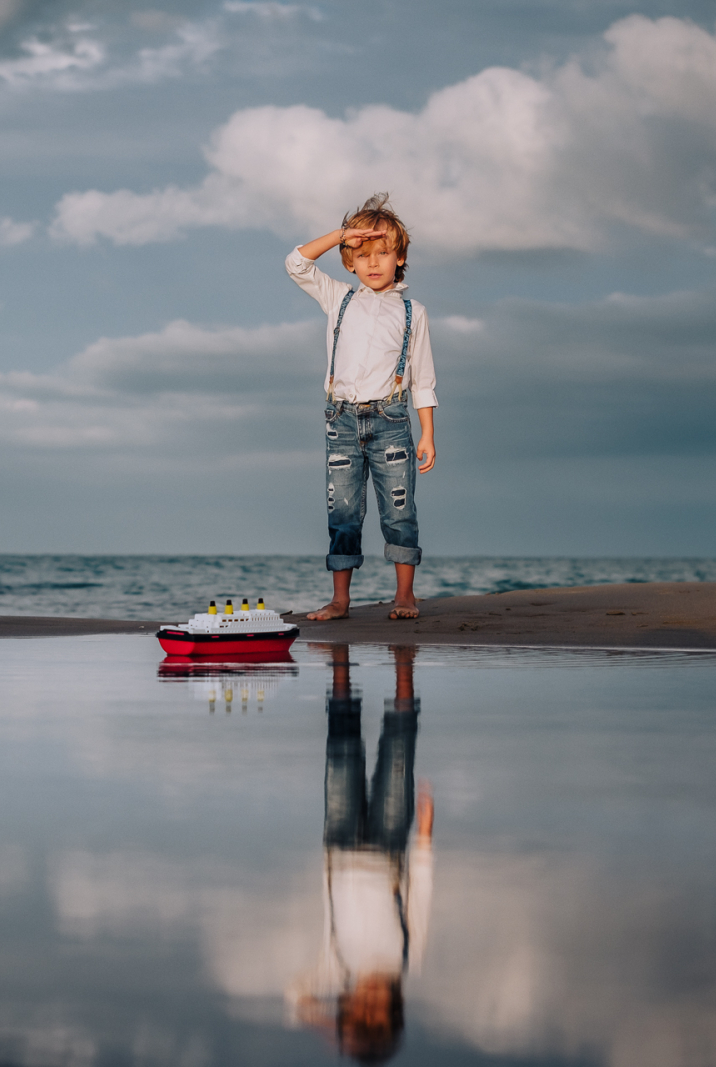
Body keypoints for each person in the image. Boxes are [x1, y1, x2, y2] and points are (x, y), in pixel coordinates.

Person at [286, 193, 438, 622]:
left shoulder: (413, 312)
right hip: (342, 421)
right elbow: (295, 263)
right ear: (348, 261)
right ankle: (340, 600)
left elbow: (422, 378)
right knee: (343, 512)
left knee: (399, 511)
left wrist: (427, 433)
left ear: (400, 257)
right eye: (361, 254)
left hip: (391, 421)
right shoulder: (338, 298)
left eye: (382, 253)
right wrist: (339, 235)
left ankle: (405, 595)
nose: (373, 263)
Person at [287, 644, 434, 1064]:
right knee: (398, 750)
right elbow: (420, 899)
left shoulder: (336, 968)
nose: (368, 1003)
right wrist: (425, 839)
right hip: (389, 847)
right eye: (378, 1013)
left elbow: (296, 996)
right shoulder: (408, 960)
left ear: (345, 1006)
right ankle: (404, 664)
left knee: (342, 749)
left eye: (357, 1012)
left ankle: (340, 668)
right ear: (394, 1008)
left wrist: (336, 1036)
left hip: (339, 842)